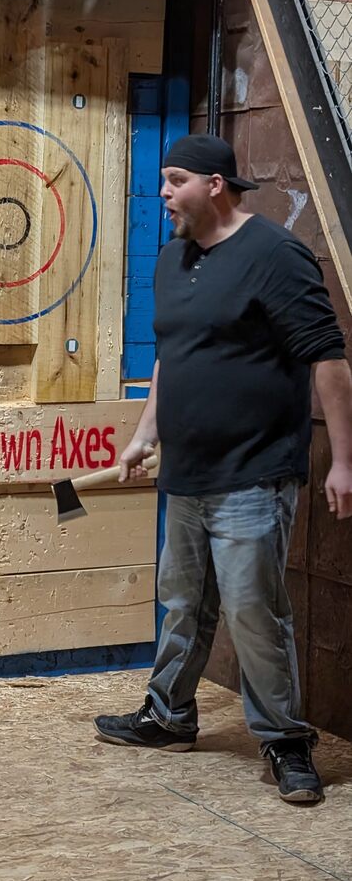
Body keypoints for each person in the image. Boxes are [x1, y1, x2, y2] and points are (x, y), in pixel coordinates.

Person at [95, 134, 352, 804]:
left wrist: (343, 461)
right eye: (163, 180)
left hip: (254, 472)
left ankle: (285, 741)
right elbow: (170, 357)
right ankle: (168, 716)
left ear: (215, 184)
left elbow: (328, 359)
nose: (162, 194)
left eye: (174, 180)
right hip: (186, 472)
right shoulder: (171, 259)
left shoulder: (275, 254)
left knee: (253, 612)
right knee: (183, 602)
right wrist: (143, 435)